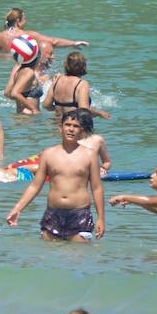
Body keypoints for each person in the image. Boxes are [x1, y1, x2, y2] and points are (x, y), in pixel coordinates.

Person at [6, 110, 105, 242]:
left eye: (75, 126)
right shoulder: (48, 154)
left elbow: (97, 188)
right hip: (53, 213)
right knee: (48, 255)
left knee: (78, 256)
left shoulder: (90, 155)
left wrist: (101, 218)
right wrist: (17, 209)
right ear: (60, 128)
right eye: (67, 125)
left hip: (79, 213)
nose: (71, 129)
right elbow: (35, 186)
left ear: (81, 131)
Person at [0, 8, 86, 54]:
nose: (26, 21)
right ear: (18, 21)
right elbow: (54, 42)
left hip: (3, 65)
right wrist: (73, 43)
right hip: (23, 65)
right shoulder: (28, 35)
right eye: (25, 19)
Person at [43, 51, 109, 119]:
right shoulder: (82, 84)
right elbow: (84, 112)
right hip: (74, 125)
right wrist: (98, 113)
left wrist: (60, 109)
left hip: (57, 124)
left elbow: (46, 105)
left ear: (66, 65)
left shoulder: (57, 80)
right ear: (83, 66)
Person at [2, 37, 44, 115]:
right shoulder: (29, 72)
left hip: (21, 116)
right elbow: (14, 93)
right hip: (28, 117)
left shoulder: (17, 68)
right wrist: (33, 109)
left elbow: (7, 93)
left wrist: (21, 100)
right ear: (36, 55)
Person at [70, 109, 111, 176]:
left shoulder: (97, 140)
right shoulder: (69, 140)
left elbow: (107, 162)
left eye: (75, 125)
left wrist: (102, 168)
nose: (71, 128)